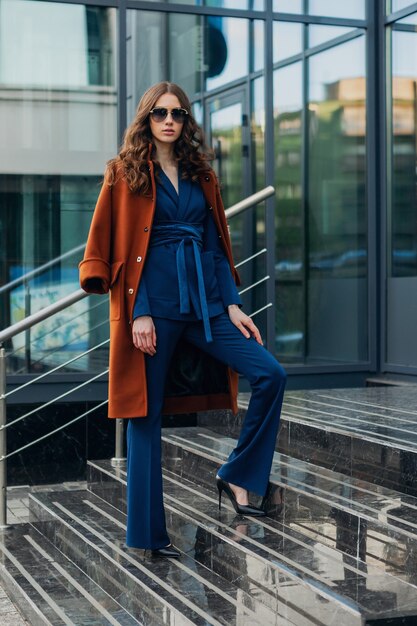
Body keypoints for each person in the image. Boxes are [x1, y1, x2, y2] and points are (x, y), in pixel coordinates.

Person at [79, 81, 287, 559]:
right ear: (146, 119)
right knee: (144, 418)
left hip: (206, 306)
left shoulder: (202, 176)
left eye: (177, 113)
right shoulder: (124, 173)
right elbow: (118, 252)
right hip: (152, 310)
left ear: (186, 121)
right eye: (159, 113)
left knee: (270, 373)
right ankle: (148, 536)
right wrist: (141, 312)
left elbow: (215, 247)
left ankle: (237, 473)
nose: (169, 120)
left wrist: (232, 303)